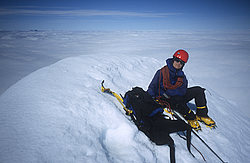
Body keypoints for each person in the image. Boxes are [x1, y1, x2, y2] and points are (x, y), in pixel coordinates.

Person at [147, 49, 215, 130]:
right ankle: (190, 117)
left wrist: (171, 92)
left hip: (176, 96)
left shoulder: (181, 75)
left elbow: (183, 90)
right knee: (177, 98)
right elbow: (152, 87)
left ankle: (201, 114)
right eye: (177, 60)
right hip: (166, 99)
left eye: (181, 62)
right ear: (173, 59)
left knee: (198, 90)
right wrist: (150, 99)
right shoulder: (161, 72)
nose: (178, 63)